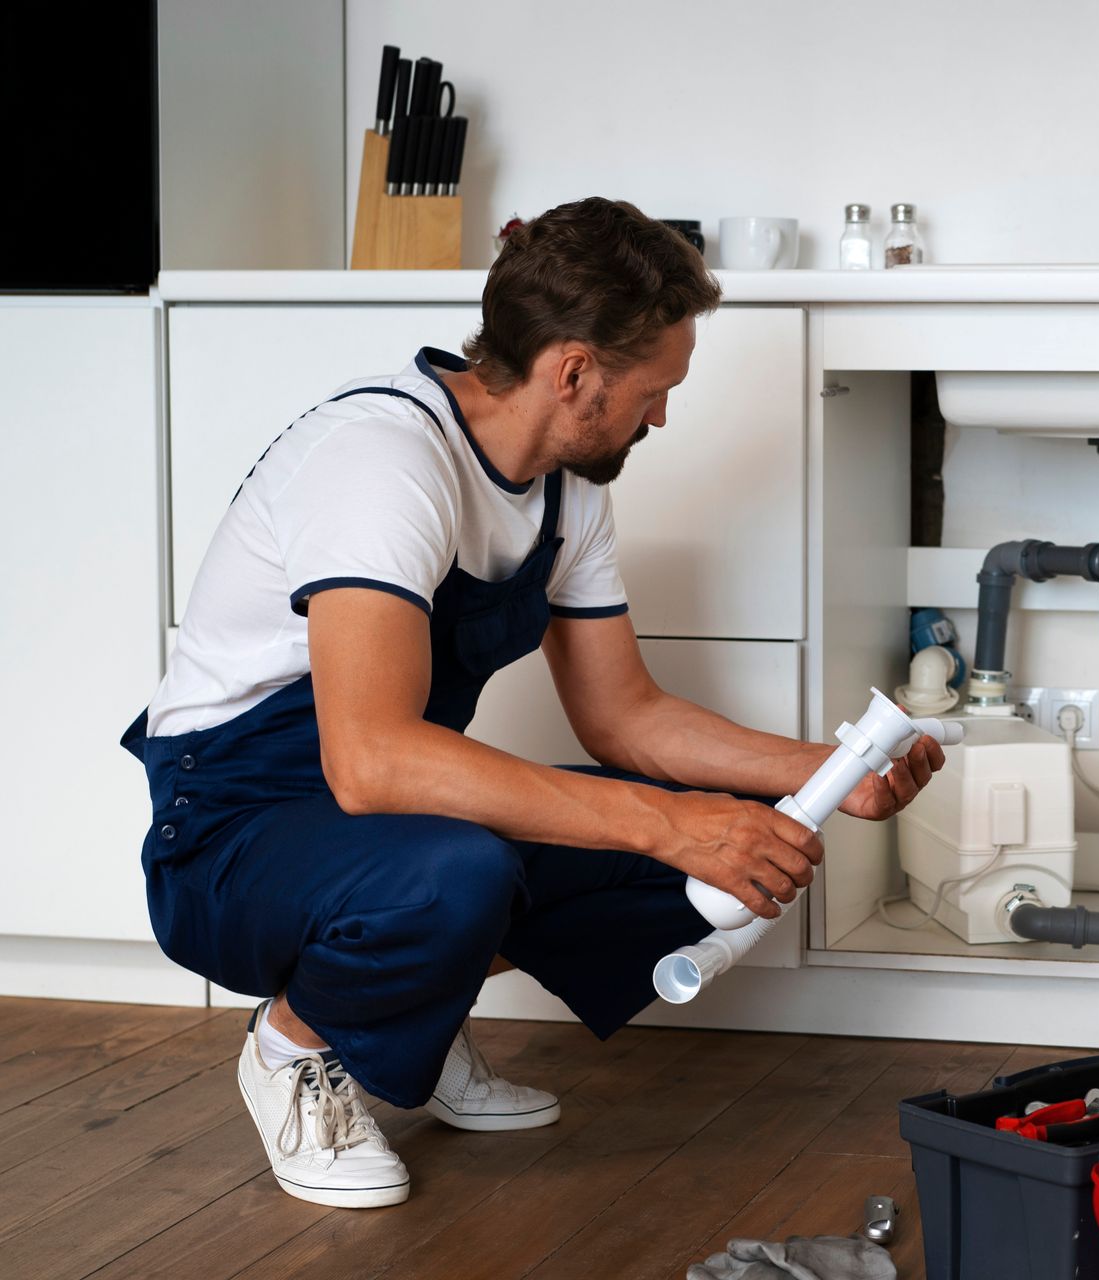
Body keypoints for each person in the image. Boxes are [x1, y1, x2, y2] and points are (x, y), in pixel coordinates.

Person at [119, 198, 944, 1209]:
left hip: (381, 816)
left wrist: (828, 775)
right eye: (654, 389)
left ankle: (417, 1004)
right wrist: (673, 821)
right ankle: (295, 1046)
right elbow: (370, 758)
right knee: (477, 869)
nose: (662, 416)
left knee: (702, 849)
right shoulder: (385, 461)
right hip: (231, 831)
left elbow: (626, 718)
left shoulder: (568, 488)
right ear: (572, 371)